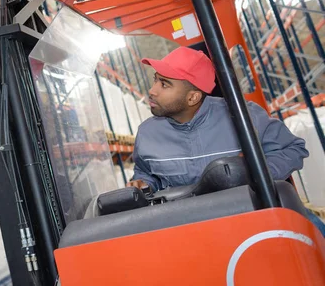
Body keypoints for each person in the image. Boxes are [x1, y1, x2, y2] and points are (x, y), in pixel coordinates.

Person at [125, 46, 325, 234]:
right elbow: (146, 173)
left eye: (164, 84)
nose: (152, 90)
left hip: (250, 219)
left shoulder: (242, 115)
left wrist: (253, 173)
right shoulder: (147, 134)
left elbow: (292, 149)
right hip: (189, 227)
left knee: (312, 233)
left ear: (192, 98)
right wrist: (144, 185)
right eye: (155, 80)